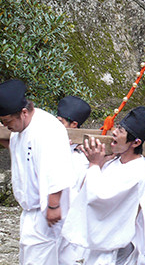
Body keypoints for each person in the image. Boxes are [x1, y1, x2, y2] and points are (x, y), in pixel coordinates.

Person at [61, 106, 145, 265]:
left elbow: (99, 197)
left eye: (121, 131)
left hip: (112, 247)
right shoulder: (114, 161)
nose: (114, 132)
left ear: (136, 142)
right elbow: (85, 189)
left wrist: (94, 164)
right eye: (117, 127)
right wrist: (100, 164)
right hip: (99, 246)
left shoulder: (137, 172)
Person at [0, 79, 73, 265]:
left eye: (7, 122)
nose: (6, 127)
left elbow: (56, 167)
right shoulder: (21, 129)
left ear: (23, 113)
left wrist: (54, 205)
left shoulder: (47, 129)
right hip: (30, 212)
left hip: (46, 210)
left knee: (39, 259)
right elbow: (19, 149)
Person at [56, 95, 92, 265]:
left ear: (74, 125)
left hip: (72, 217)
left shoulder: (83, 157)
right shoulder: (52, 147)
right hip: (51, 213)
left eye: (61, 122)